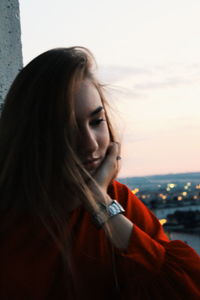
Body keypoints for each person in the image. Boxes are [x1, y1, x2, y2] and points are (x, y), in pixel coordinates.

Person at [0, 46, 199, 300]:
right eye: (68, 128)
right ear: (32, 136)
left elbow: (186, 288)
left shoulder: (117, 199)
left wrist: (100, 203)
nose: (91, 144)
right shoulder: (10, 221)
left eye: (96, 122)